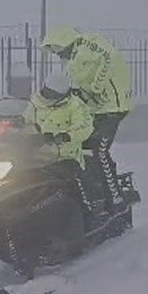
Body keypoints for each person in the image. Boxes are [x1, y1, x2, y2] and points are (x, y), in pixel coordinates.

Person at [41, 26, 134, 214]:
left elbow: (108, 57)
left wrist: (97, 85)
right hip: (98, 109)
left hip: (112, 109)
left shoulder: (86, 46)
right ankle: (93, 190)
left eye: (58, 50)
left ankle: (115, 198)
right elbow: (76, 85)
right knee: (80, 148)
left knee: (99, 150)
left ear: (64, 41)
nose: (59, 55)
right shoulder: (75, 59)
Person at [21, 72, 97, 213]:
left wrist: (66, 136)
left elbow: (85, 126)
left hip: (64, 156)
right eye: (47, 92)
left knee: (70, 179)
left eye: (53, 95)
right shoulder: (35, 103)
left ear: (63, 94)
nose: (48, 97)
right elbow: (26, 122)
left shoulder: (75, 106)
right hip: (35, 155)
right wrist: (14, 129)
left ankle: (85, 209)